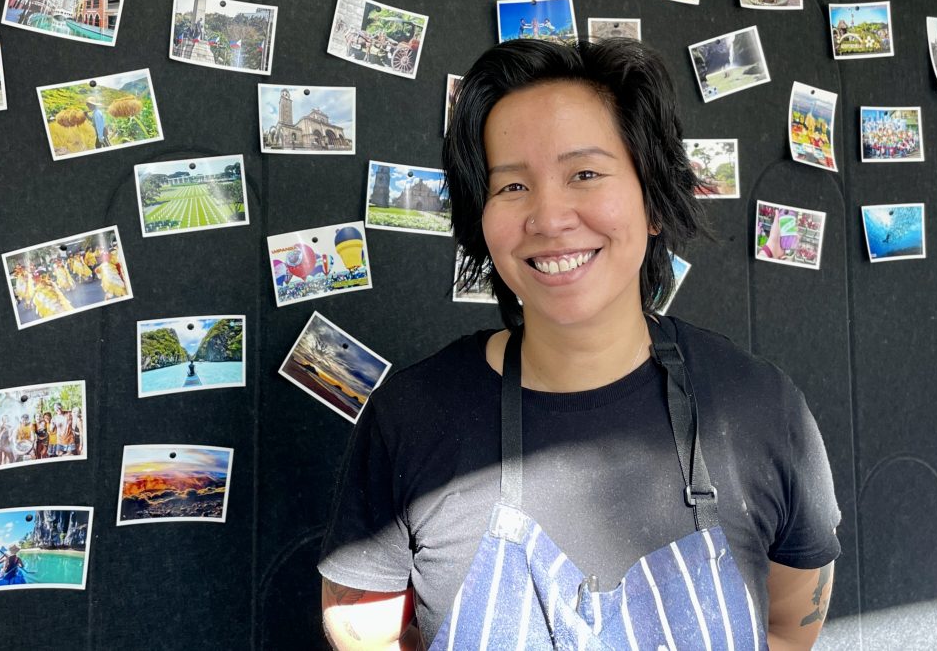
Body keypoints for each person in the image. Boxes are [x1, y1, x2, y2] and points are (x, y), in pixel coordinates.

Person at [319, 39, 840, 650]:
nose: (549, 217)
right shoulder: (411, 417)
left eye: (585, 174)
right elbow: (367, 639)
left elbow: (787, 630)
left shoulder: (762, 408)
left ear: (653, 200)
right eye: (512, 186)